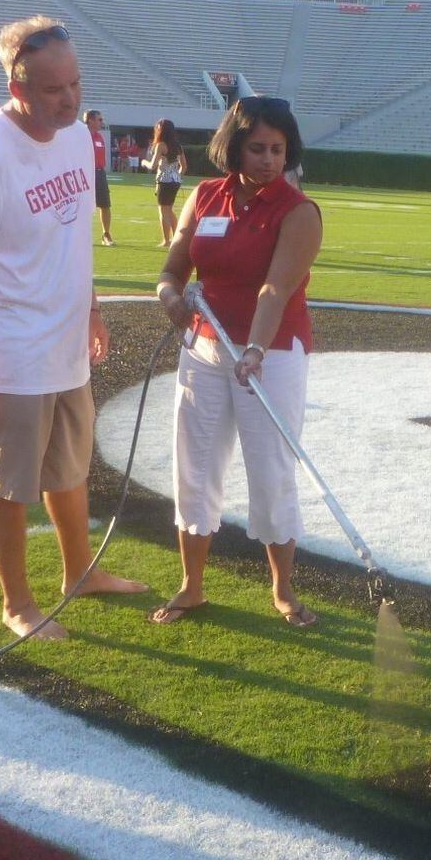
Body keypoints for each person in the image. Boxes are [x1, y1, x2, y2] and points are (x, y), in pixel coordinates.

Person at [0, 15, 147, 640]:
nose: (70, 98)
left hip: (67, 340)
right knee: (11, 481)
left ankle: (81, 572)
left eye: (74, 82)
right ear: (17, 86)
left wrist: (93, 306)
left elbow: (73, 237)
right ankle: (17, 602)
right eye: (52, 89)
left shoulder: (77, 137)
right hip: (10, 352)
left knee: (70, 467)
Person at [150, 96, 322, 627]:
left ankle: (283, 589)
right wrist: (170, 298)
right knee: (195, 466)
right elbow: (173, 270)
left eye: (278, 149)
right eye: (257, 148)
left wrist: (254, 349)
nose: (269, 159)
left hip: (271, 355)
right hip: (203, 350)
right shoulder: (203, 196)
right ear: (234, 147)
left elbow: (274, 289)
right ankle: (191, 586)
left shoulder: (299, 211)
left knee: (271, 471)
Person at [142, 118, 188, 247]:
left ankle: (166, 240)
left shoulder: (161, 145)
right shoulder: (178, 146)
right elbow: (184, 165)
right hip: (175, 180)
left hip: (163, 180)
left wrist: (144, 162)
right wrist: (177, 176)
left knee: (163, 211)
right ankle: (177, 238)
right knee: (169, 210)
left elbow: (153, 165)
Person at [84, 108, 114, 245]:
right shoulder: (81, 135)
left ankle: (106, 234)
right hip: (84, 173)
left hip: (99, 173)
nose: (102, 122)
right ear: (90, 120)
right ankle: (81, 236)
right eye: (99, 119)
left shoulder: (99, 136)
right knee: (82, 206)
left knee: (105, 204)